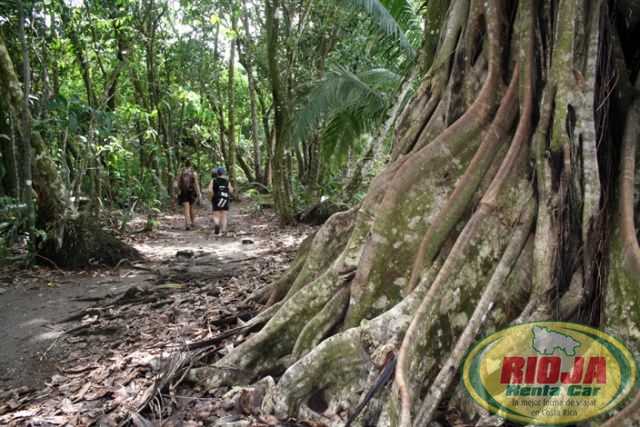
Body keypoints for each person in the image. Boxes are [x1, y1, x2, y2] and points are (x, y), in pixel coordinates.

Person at [207, 166, 233, 236]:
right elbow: (231, 190)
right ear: (223, 173)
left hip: (216, 198)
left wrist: (210, 196)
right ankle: (224, 231)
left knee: (215, 214)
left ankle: (217, 224)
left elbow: (209, 190)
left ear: (217, 173)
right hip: (225, 198)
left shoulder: (214, 180)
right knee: (224, 215)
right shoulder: (227, 181)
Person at [177, 159, 202, 230]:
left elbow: (178, 184)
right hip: (191, 191)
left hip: (183, 191)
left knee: (186, 208)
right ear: (190, 165)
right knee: (191, 207)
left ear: (185, 164)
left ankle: (187, 224)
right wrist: (199, 193)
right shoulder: (193, 173)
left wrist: (176, 193)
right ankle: (193, 222)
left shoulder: (180, 172)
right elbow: (196, 184)